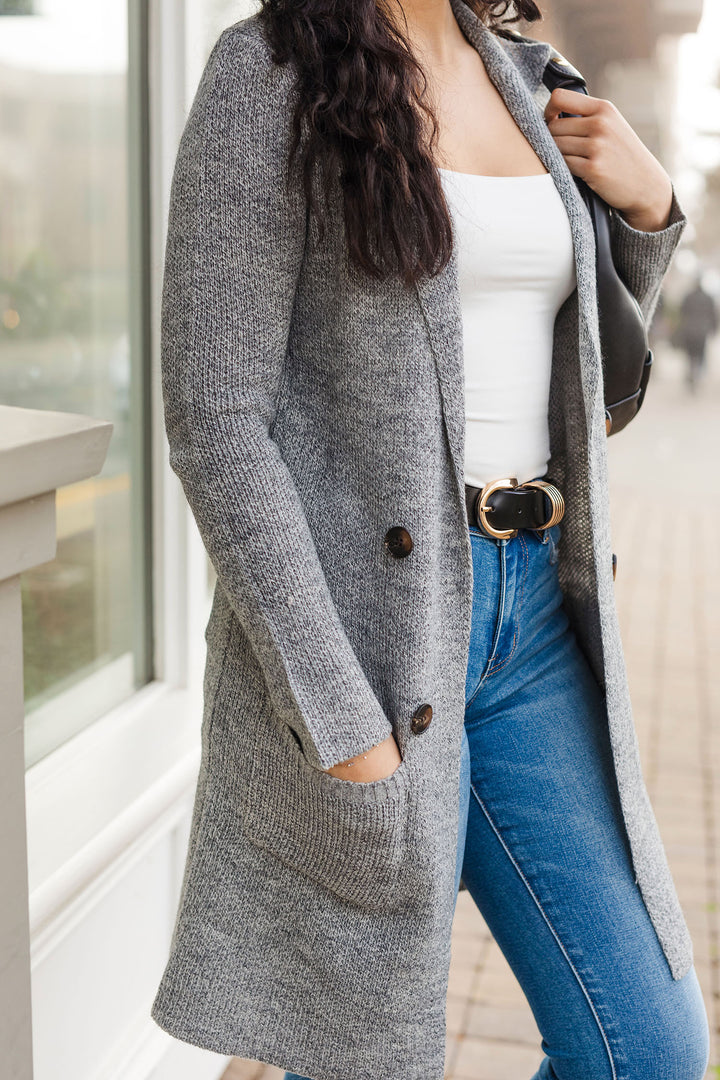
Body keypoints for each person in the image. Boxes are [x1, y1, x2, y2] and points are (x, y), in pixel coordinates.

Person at [150, 1, 710, 1077]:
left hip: (537, 620)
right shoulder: (266, 77)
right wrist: (337, 720)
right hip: (366, 638)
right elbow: (215, 421)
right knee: (364, 1053)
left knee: (647, 1047)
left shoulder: (532, 79)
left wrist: (649, 213)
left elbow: (581, 383)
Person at [675, 274, 718, 392]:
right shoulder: (708, 297)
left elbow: (682, 313)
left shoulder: (688, 296)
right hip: (702, 331)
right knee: (700, 354)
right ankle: (697, 373)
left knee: (690, 354)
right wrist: (713, 329)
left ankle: (691, 372)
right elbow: (713, 315)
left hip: (689, 330)